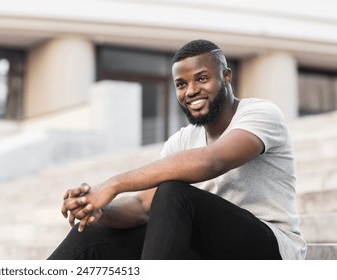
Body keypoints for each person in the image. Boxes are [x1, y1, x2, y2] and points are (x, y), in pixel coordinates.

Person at [48, 39, 306, 260]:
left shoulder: (260, 113)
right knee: (94, 233)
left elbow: (213, 161)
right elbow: (142, 205)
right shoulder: (181, 140)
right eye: (181, 84)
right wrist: (100, 211)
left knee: (173, 192)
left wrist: (114, 184)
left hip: (271, 250)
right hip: (209, 250)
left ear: (226, 76)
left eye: (202, 78)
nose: (192, 91)